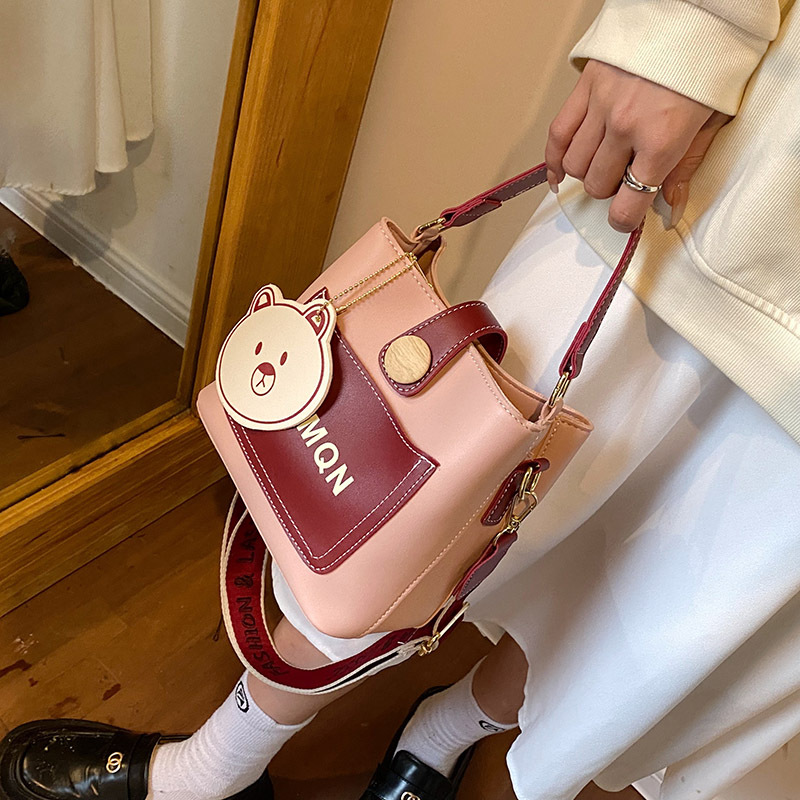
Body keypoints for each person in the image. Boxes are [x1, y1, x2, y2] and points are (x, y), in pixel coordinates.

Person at [2, 1, 798, 800]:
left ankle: (441, 732)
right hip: (730, 185)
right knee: (398, 523)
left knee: (643, 599)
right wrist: (690, 25)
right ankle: (216, 770)